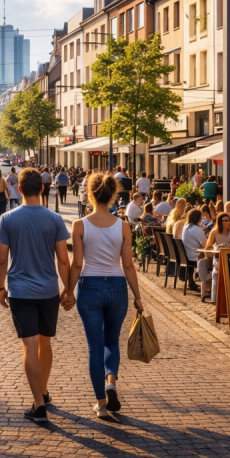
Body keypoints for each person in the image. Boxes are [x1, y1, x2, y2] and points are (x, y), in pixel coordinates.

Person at [64, 171, 144, 419]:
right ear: (113, 196)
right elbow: (128, 265)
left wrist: (68, 291)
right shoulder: (123, 226)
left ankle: (100, 403)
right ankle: (111, 381)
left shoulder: (80, 225)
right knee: (112, 341)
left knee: (94, 346)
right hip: (118, 287)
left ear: (90, 193)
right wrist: (137, 296)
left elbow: (77, 263)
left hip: (89, 286)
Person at [0, 167, 71, 424]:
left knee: (29, 346)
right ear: (42, 189)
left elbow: (1, 259)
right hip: (48, 290)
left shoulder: (7, 219)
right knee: (45, 344)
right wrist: (68, 288)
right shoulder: (55, 219)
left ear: (18, 189)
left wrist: (0, 287)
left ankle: (39, 404)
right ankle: (44, 391)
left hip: (20, 291)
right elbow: (63, 259)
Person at [179, 209, 206, 291]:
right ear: (199, 218)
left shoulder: (186, 227)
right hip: (195, 257)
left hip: (187, 255)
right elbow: (206, 245)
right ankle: (207, 285)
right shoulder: (197, 230)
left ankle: (191, 281)